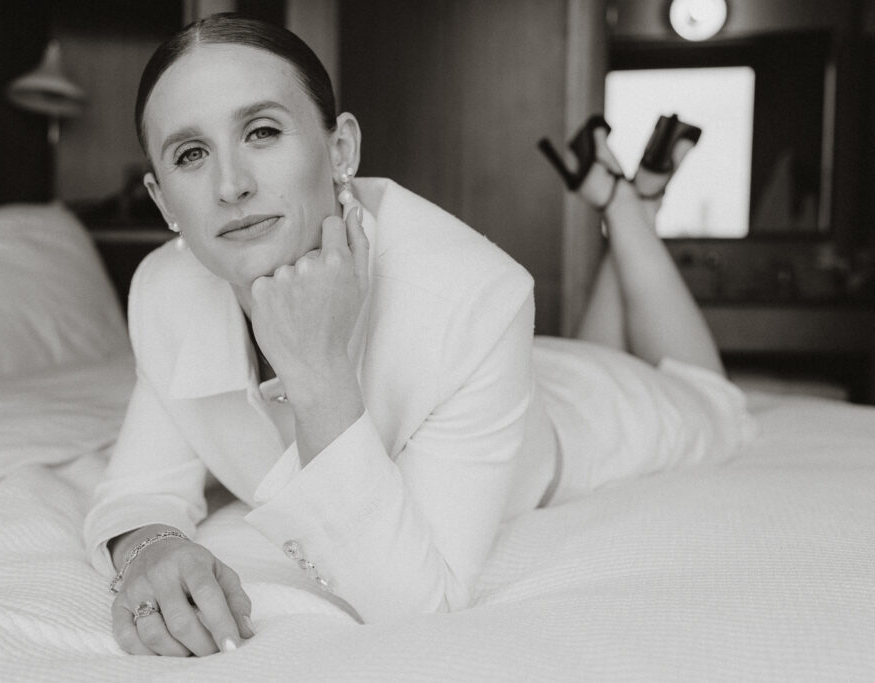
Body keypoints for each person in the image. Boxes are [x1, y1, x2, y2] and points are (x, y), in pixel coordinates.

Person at [83, 13, 754, 658]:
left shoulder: (475, 295)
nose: (230, 185)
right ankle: (626, 198)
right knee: (584, 349)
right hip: (496, 375)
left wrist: (316, 370)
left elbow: (416, 605)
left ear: (340, 148)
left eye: (261, 131)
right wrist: (151, 550)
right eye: (191, 153)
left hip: (573, 426)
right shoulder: (164, 293)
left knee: (711, 400)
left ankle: (626, 205)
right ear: (164, 198)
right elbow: (140, 489)